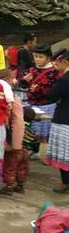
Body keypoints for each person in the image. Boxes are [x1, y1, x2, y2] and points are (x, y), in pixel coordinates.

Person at [19, 43, 61, 147]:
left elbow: (54, 91)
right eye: (35, 56)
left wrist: (37, 89)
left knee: (45, 136)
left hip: (47, 107)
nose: (37, 59)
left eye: (41, 57)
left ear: (48, 58)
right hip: (31, 107)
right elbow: (22, 85)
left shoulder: (55, 72)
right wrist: (24, 80)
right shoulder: (31, 70)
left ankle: (44, 152)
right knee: (31, 134)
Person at [0, 69, 29, 195]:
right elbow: (18, 121)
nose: (14, 81)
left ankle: (9, 185)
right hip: (14, 135)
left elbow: (17, 121)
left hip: (7, 135)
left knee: (9, 161)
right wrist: (18, 143)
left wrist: (15, 144)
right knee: (20, 161)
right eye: (12, 78)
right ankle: (19, 185)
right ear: (6, 80)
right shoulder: (13, 97)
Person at [44, 49, 69, 194]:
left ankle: (65, 182)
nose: (56, 67)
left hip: (64, 119)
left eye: (57, 64)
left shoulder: (64, 80)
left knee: (64, 152)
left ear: (65, 62)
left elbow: (52, 96)